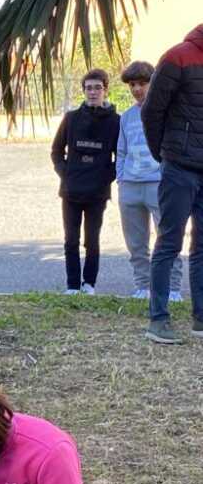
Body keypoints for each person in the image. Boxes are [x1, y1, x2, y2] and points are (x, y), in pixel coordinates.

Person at [141, 24, 203, 344]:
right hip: (179, 168)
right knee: (169, 243)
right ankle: (158, 320)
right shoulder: (178, 57)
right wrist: (163, 154)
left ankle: (200, 319)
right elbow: (152, 111)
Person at [117, 61, 183, 301]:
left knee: (167, 238)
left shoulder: (166, 112)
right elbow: (121, 151)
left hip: (159, 184)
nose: (137, 89)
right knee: (136, 243)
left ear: (153, 83)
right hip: (131, 186)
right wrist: (121, 178)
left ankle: (173, 288)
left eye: (142, 83)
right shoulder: (126, 117)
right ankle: (142, 286)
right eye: (132, 85)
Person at [51, 69, 120, 295]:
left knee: (92, 240)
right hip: (71, 191)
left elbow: (120, 157)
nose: (93, 92)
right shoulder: (71, 119)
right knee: (71, 240)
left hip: (97, 193)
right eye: (89, 88)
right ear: (84, 91)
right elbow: (56, 151)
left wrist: (104, 177)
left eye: (97, 87)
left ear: (105, 90)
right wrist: (66, 173)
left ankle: (89, 283)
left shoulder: (115, 122)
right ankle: (72, 285)